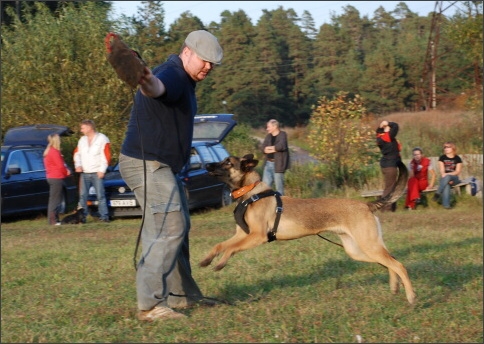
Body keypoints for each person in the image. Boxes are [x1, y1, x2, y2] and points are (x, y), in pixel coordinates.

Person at [118, 30, 223, 321]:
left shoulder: (186, 78)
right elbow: (156, 87)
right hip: (147, 163)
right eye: (205, 61)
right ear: (187, 52)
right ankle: (150, 305)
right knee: (168, 225)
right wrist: (143, 78)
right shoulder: (173, 73)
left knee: (180, 226)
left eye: (213, 64)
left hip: (163, 165)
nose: (209, 68)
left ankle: (183, 297)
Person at [73, 119, 111, 222]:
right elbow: (77, 154)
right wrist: (78, 165)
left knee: (100, 195)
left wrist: (102, 170)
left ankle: (104, 217)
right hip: (85, 173)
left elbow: (106, 155)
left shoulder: (102, 139)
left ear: (89, 127)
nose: (81, 130)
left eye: (83, 128)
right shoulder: (82, 140)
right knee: (83, 196)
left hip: (97, 172)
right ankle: (82, 218)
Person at [43, 134, 71, 225]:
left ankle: (53, 219)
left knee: (53, 199)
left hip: (51, 176)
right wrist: (66, 172)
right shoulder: (54, 152)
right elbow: (60, 166)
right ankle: (53, 220)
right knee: (55, 200)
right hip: (56, 177)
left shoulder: (48, 151)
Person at [376, 120, 401, 212]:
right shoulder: (387, 137)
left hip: (387, 165)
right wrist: (388, 123)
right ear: (387, 130)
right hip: (390, 165)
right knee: (389, 188)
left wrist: (381, 126)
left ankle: (392, 208)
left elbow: (378, 132)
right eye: (389, 129)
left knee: (391, 186)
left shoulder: (380, 138)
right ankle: (385, 208)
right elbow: (396, 126)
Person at [261, 119, 290, 195]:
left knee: (279, 189)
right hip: (268, 164)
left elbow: (281, 146)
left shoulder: (283, 135)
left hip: (278, 165)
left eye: (268, 127)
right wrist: (273, 149)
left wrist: (269, 148)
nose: (267, 129)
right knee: (265, 188)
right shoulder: (268, 136)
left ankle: (281, 205)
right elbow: (263, 148)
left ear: (275, 126)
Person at [433, 142, 462, 209]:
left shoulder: (457, 158)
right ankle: (446, 206)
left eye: (448, 147)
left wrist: (448, 175)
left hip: (454, 178)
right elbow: (442, 171)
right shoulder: (442, 158)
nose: (446, 148)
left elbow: (457, 172)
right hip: (444, 178)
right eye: (445, 147)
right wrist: (446, 177)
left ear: (453, 148)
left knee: (448, 177)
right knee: (447, 184)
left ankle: (438, 192)